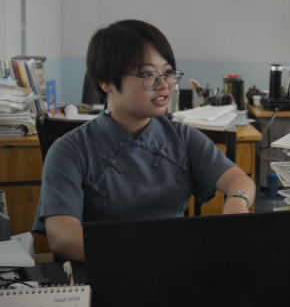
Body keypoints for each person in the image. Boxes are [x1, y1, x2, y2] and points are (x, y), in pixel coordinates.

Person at [32, 20, 256, 262]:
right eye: (148, 74)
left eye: (168, 73)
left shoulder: (181, 137)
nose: (164, 85)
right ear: (105, 81)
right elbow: (62, 237)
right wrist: (147, 251)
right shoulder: (69, 150)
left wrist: (237, 200)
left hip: (177, 265)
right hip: (108, 269)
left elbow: (237, 179)